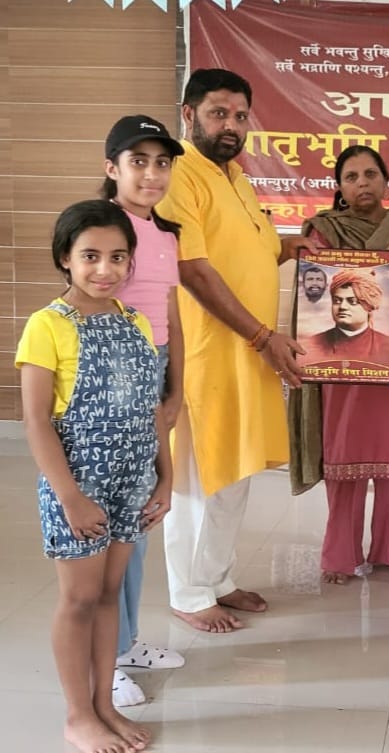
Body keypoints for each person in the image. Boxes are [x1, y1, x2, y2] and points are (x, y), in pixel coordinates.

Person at [156, 68, 315, 633]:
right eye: (218, 113)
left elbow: (254, 250)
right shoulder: (179, 173)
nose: (231, 125)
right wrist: (262, 337)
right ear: (189, 114)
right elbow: (194, 269)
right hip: (206, 354)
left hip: (247, 354)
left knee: (235, 472)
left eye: (240, 116)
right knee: (200, 477)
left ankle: (217, 577)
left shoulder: (236, 176)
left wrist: (298, 246)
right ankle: (189, 591)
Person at [17, 199, 172, 753]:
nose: (105, 269)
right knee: (79, 599)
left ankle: (105, 703)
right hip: (78, 485)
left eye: (117, 257)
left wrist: (165, 478)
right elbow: (36, 421)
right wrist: (70, 498)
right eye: (90, 256)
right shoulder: (47, 325)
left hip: (132, 483)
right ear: (65, 257)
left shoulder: (135, 321)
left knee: (109, 595)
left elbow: (152, 410)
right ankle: (77, 714)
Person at [293, 145, 389, 585]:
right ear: (339, 187)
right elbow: (315, 291)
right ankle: (340, 557)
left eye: (371, 174)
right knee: (344, 458)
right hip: (341, 360)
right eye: (351, 177)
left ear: (387, 182)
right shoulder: (324, 230)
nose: (362, 183)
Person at [100, 115, 187, 706]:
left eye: (161, 163)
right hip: (110, 373)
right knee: (110, 521)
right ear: (112, 168)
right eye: (138, 162)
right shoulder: (100, 226)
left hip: (151, 374)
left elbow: (171, 316)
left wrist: (174, 389)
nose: (152, 174)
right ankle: (103, 658)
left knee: (142, 513)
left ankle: (126, 639)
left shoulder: (165, 234)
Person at [299, 269, 389, 370]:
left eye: (352, 301)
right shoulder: (307, 347)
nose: (342, 307)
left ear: (369, 305)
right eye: (337, 301)